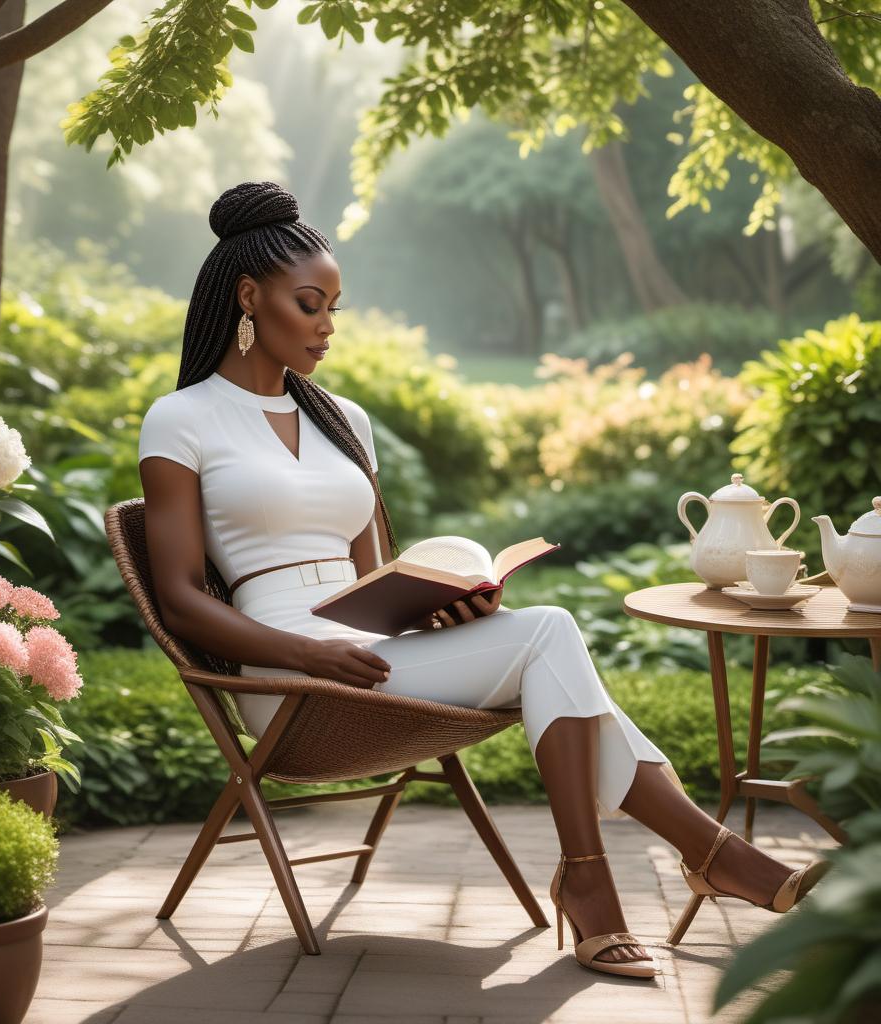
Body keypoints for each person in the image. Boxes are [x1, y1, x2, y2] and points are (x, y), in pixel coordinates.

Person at [137, 181, 827, 980]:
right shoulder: (181, 419)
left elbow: (373, 580)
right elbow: (184, 599)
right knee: (551, 634)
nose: (328, 325)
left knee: (540, 637)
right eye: (309, 303)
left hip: (368, 648)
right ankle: (652, 868)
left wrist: (438, 607)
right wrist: (308, 653)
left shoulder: (342, 420)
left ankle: (646, 868)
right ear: (250, 297)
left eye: (335, 305)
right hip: (290, 675)